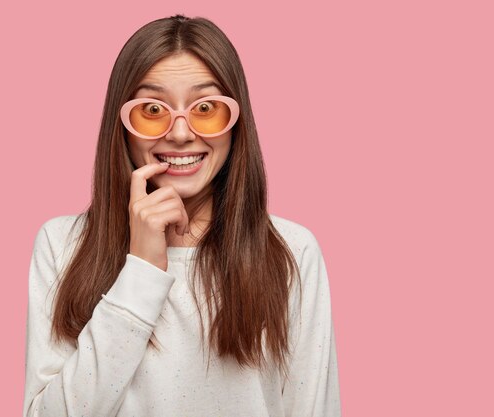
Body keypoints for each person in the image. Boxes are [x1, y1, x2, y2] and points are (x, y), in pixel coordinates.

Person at [23, 14, 341, 417]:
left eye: (205, 107)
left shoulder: (291, 251)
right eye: (152, 109)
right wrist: (140, 270)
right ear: (122, 126)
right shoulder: (63, 245)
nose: (179, 133)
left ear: (235, 122)